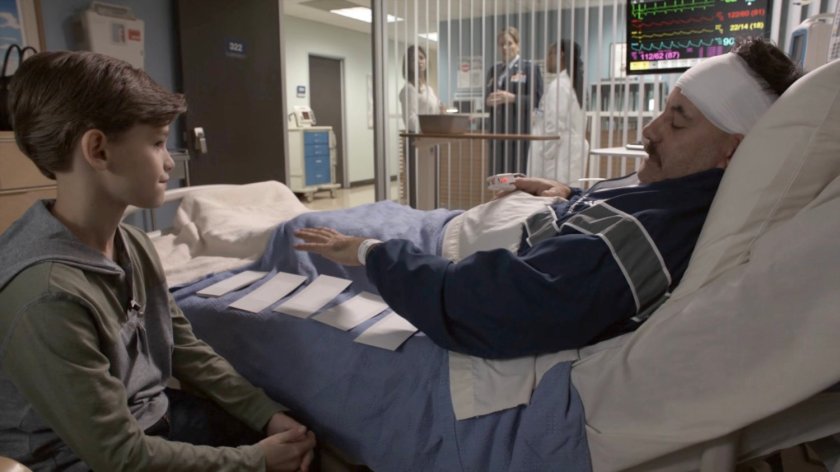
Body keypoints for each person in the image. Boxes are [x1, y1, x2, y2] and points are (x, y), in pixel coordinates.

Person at [291, 37, 800, 360]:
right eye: (664, 111)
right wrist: (568, 193)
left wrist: (371, 253)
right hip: (458, 228)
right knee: (334, 222)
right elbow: (604, 219)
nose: (649, 129)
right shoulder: (670, 194)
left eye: (678, 121)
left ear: (733, 150)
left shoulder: (648, 235)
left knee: (297, 234)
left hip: (441, 247)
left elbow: (495, 303)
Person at [0, 51, 316, 471]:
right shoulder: (47, 296)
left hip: (152, 416)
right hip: (79, 458)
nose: (169, 162)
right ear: (98, 150)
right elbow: (119, 455)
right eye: (156, 143)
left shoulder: (132, 243)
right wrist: (256, 460)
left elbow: (182, 346)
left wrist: (264, 413)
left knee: (308, 448)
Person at [485, 26, 544, 175]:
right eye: (501, 44)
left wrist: (512, 98)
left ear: (518, 45)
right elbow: (487, 99)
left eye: (509, 43)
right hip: (497, 134)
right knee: (497, 177)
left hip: (518, 135)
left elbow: (538, 100)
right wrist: (489, 102)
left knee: (517, 177)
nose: (505, 48)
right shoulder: (494, 70)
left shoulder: (529, 68)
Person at [528, 40, 589, 184]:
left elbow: (554, 127)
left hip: (558, 159)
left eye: (550, 54)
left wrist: (544, 155)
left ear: (560, 55)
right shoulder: (572, 84)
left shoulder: (559, 86)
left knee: (554, 194)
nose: (547, 59)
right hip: (569, 155)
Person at [399, 45, 442, 133]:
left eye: (421, 58)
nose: (419, 61)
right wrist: (433, 126)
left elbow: (435, 113)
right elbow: (410, 121)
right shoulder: (409, 89)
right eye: (414, 59)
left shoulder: (429, 89)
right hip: (420, 138)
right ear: (408, 64)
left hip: (432, 136)